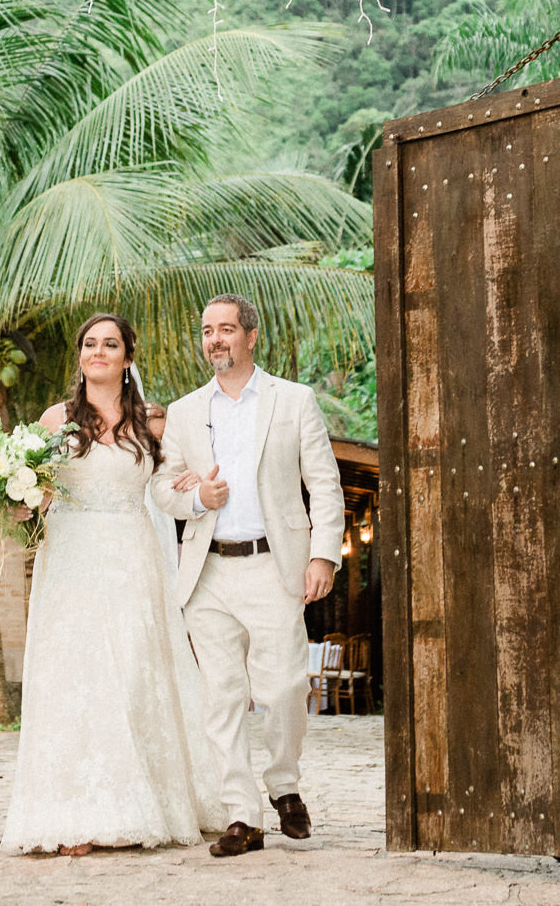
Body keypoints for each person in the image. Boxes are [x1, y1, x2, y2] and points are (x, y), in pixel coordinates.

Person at [0, 313, 223, 856]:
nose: (98, 351)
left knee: (132, 673)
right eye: (90, 344)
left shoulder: (152, 422)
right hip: (70, 560)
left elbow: (168, 488)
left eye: (110, 344)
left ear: (128, 355)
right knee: (75, 677)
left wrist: (192, 485)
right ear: (80, 355)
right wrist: (20, 495)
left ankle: (142, 803)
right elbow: (34, 496)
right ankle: (74, 815)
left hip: (132, 560)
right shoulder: (56, 420)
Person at [151, 294, 345, 858]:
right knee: (222, 698)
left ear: (251, 336)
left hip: (274, 566)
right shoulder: (186, 411)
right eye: (208, 330)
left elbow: (326, 485)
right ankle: (243, 816)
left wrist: (323, 555)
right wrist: (197, 500)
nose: (216, 339)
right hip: (207, 573)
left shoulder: (294, 400)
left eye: (227, 329)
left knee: (285, 687)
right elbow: (163, 487)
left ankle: (284, 784)